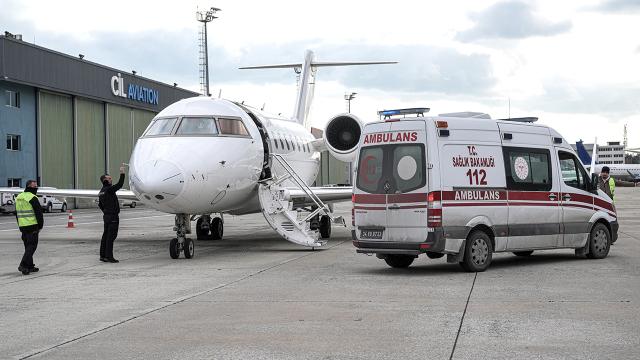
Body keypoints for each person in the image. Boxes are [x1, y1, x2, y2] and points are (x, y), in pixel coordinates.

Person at [15, 180, 44, 275]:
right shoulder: (32, 198)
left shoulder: (19, 197)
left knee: (28, 247)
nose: (36, 188)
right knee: (32, 247)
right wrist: (40, 226)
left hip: (23, 226)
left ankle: (30, 266)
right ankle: (23, 265)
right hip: (32, 226)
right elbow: (39, 213)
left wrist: (19, 224)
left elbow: (16, 213)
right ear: (29, 187)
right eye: (34, 187)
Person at [98, 164, 126, 263]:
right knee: (111, 237)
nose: (111, 180)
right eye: (109, 178)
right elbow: (120, 184)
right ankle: (109, 256)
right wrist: (122, 173)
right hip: (113, 216)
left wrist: (106, 211)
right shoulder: (109, 190)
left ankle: (103, 255)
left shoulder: (101, 192)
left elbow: (100, 205)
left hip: (106, 216)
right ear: (105, 180)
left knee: (105, 236)